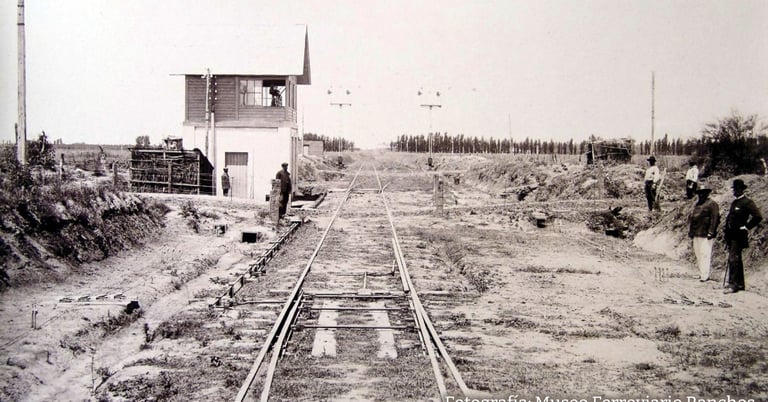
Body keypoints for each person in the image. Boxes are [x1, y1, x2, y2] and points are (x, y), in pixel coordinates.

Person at [723, 179, 762, 293]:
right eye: (734, 189)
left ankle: (733, 285)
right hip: (731, 235)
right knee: (736, 259)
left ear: (741, 190)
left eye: (736, 189)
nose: (734, 191)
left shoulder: (747, 202)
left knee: (733, 259)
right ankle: (740, 284)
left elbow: (758, 216)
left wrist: (747, 227)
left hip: (739, 236)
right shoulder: (735, 202)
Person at [688, 184, 719, 282]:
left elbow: (715, 218)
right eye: (700, 193)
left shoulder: (712, 204)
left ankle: (705, 275)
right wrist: (691, 231)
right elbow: (693, 219)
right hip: (696, 232)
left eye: (703, 193)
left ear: (707, 193)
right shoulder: (698, 204)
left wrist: (711, 231)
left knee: (705, 253)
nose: (701, 195)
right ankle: (701, 272)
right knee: (698, 253)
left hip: (705, 233)